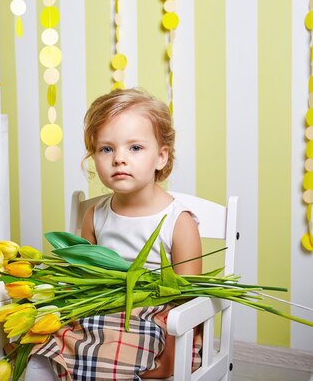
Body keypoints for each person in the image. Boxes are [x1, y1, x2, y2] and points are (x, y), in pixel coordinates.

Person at [25, 88, 202, 380]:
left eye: (135, 148)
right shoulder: (95, 215)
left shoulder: (178, 221)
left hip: (154, 319)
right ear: (93, 157)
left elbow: (187, 300)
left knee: (110, 352)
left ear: (161, 157)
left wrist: (171, 360)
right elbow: (83, 280)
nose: (119, 158)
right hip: (101, 311)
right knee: (37, 339)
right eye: (106, 149)